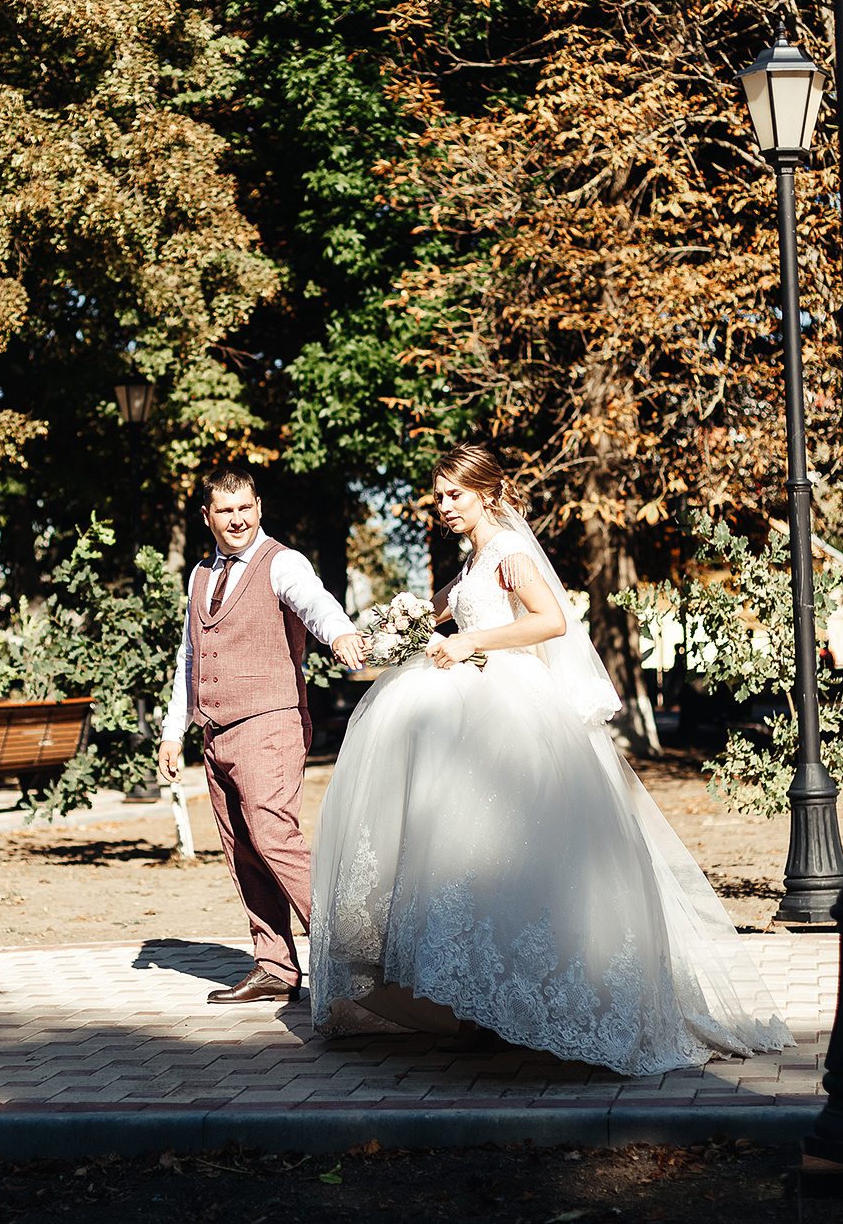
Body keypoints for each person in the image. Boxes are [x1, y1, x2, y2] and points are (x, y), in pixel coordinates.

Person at [308, 445, 789, 1074]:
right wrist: (403, 627)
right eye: (440, 495)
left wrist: (472, 640)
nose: (444, 505)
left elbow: (553, 621)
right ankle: (480, 1003)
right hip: (467, 710)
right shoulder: (479, 557)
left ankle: (527, 1005)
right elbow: (440, 611)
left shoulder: (509, 553)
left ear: (489, 492)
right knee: (465, 858)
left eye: (456, 494)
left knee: (515, 854)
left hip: (509, 710)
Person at [157, 466, 367, 1004]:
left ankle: (359, 951)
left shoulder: (282, 562)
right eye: (225, 511)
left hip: (270, 721)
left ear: (259, 507)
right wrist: (172, 729)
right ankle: (274, 964)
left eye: (245, 507)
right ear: (208, 517)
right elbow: (191, 655)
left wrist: (341, 632)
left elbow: (314, 602)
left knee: (272, 833)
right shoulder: (201, 575)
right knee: (242, 849)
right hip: (216, 731)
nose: (237, 519)